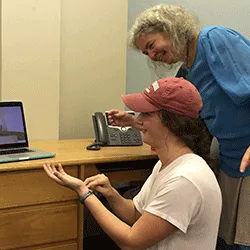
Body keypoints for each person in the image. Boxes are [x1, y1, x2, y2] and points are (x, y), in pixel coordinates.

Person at [108, 4, 250, 249]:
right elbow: (176, 117)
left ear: (170, 28)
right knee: (231, 241)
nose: (151, 55)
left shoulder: (214, 39)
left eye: (151, 45)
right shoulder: (186, 71)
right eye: (145, 53)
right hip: (230, 159)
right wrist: (133, 121)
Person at [43, 77, 222, 250]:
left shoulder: (184, 180)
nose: (138, 120)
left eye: (146, 114)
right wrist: (112, 194)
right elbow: (137, 214)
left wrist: (84, 193)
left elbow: (131, 241)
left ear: (171, 122)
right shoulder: (166, 165)